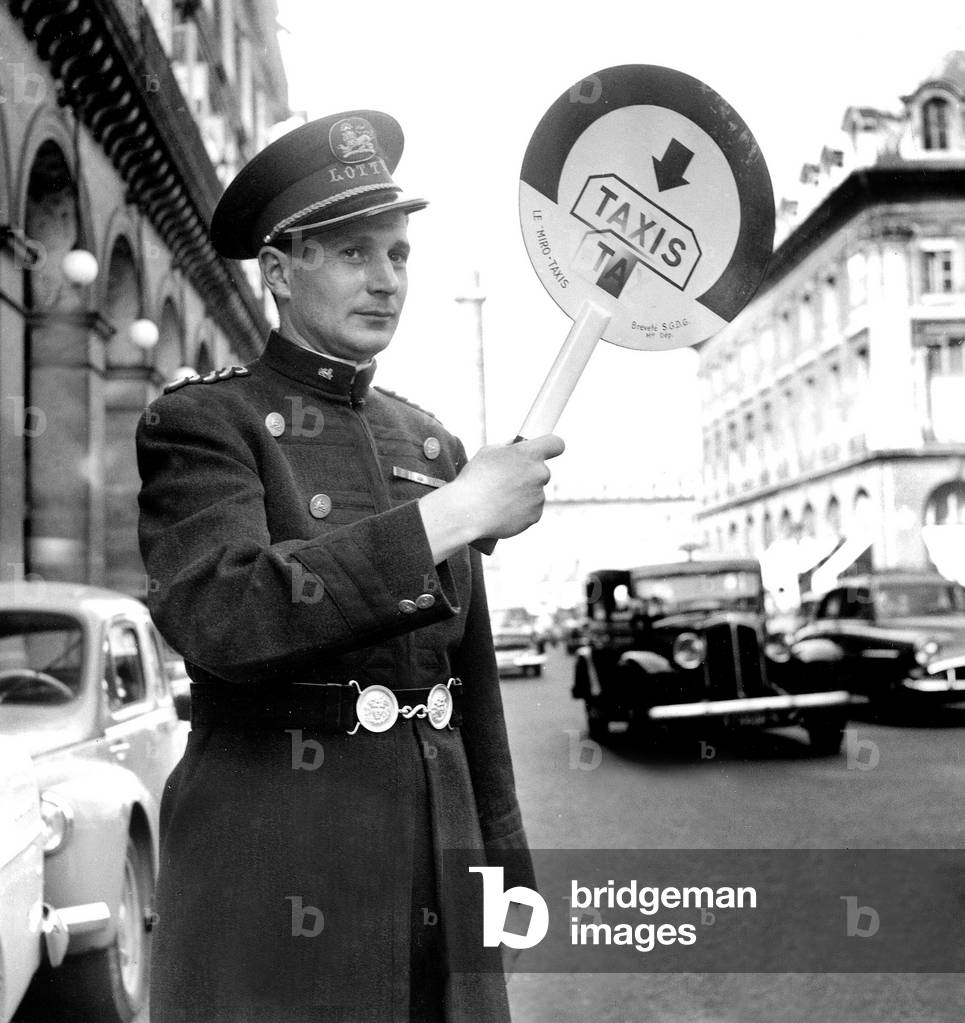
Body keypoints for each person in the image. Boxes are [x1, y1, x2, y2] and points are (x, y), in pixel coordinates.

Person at [136, 110, 564, 1023]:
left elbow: (469, 678)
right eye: (352, 253)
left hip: (438, 851)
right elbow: (226, 615)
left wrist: (501, 857)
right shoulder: (208, 425)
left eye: (399, 254)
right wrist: (449, 517)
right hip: (277, 849)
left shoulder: (428, 440)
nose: (385, 281)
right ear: (279, 272)